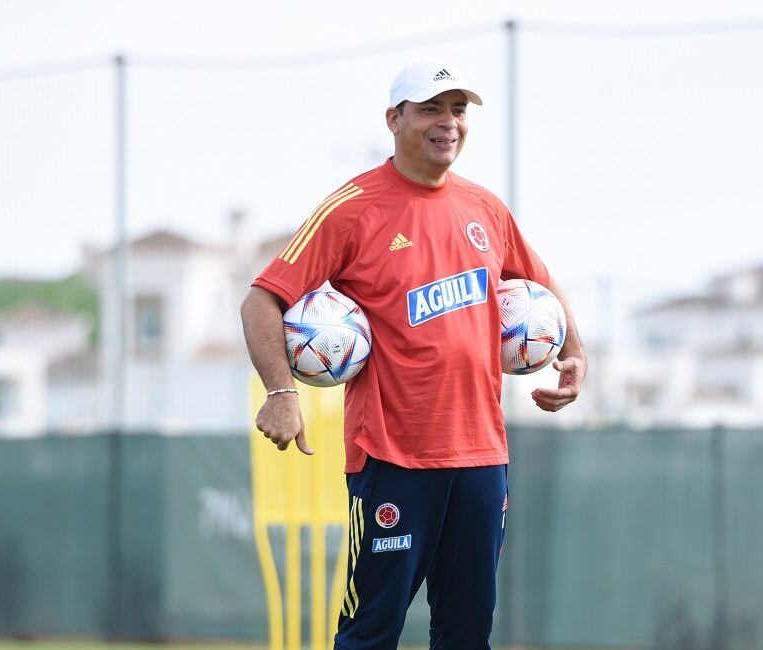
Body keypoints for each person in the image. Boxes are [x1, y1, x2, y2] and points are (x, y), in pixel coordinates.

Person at [240, 57, 586, 650]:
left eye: (458, 110)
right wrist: (280, 391)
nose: (448, 122)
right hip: (392, 459)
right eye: (431, 108)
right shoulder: (353, 207)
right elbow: (261, 301)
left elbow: (542, 284)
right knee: (371, 632)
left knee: (466, 632)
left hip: (481, 457)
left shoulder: (485, 209)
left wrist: (574, 350)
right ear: (394, 118)